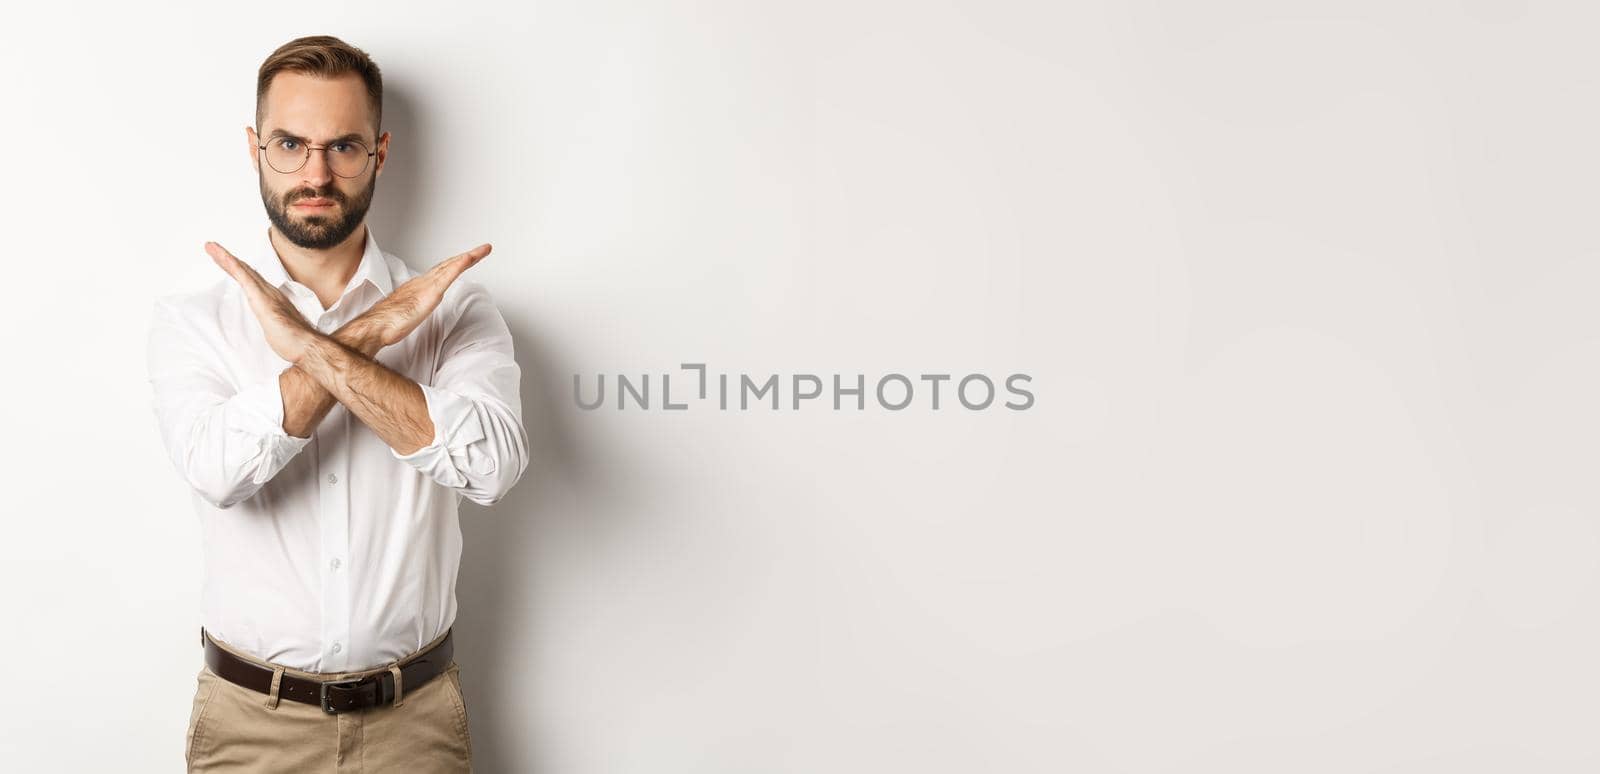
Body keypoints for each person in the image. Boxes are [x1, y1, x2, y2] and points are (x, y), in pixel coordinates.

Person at [145, 35, 530, 772]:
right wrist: (368, 336)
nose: (315, 172)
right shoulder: (194, 318)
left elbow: (492, 468)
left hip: (415, 727)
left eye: (343, 146)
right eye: (291, 143)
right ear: (256, 148)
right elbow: (219, 469)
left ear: (379, 153)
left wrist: (316, 347)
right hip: (249, 728)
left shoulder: (454, 311)